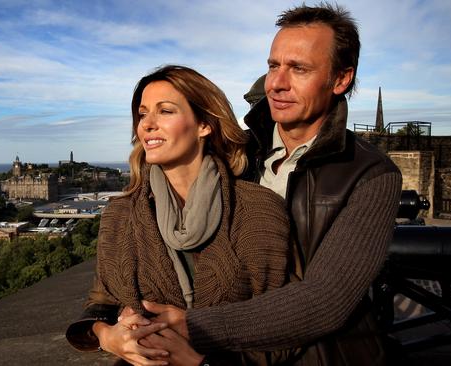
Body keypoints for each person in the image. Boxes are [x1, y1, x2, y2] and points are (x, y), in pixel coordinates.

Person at [118, 3, 403, 366]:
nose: (277, 83)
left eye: (299, 68)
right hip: (227, 354)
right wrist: (113, 327)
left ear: (340, 79)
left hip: (321, 356)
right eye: (273, 66)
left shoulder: (372, 174)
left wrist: (193, 325)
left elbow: (325, 300)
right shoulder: (235, 153)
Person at [66, 65, 294, 365]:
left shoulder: (256, 211)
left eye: (165, 111)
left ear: (204, 125)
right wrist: (108, 337)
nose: (147, 124)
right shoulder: (120, 215)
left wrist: (196, 358)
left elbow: (283, 327)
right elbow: (101, 303)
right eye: (143, 113)